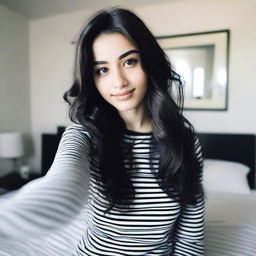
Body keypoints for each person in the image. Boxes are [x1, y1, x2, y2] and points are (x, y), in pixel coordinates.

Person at [0, 7, 204, 255]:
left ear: (148, 62)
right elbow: (61, 186)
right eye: (102, 70)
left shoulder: (183, 139)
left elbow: (190, 237)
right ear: (92, 78)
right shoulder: (85, 134)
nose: (118, 82)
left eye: (129, 62)